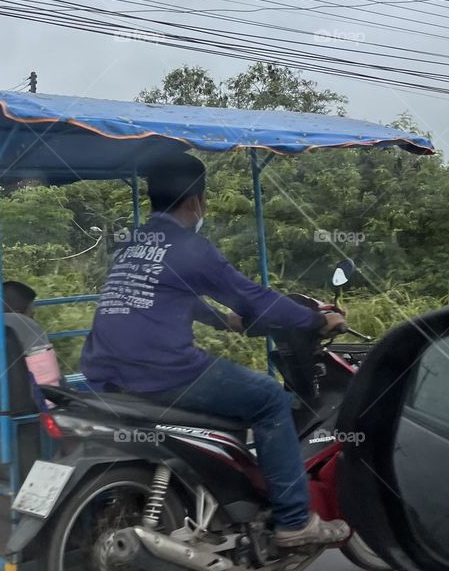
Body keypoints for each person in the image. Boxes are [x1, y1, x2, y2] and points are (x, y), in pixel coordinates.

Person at [80, 153, 349, 550]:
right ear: (197, 202)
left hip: (104, 370)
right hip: (162, 373)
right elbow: (253, 297)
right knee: (270, 398)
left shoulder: (134, 246)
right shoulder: (190, 248)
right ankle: (294, 521)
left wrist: (225, 322)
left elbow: (165, 296)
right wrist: (315, 321)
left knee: (240, 393)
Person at [0, 280, 63, 395]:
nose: (33, 319)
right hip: (21, 403)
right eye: (32, 315)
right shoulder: (26, 325)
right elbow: (47, 381)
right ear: (19, 312)